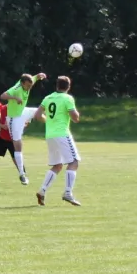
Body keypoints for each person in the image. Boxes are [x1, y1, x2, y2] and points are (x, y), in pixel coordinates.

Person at [33, 76, 81, 206]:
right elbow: (75, 117)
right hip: (62, 134)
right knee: (74, 162)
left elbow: (37, 115)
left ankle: (42, 191)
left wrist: (48, 121)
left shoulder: (48, 98)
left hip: (50, 135)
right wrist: (76, 116)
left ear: (57, 86)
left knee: (57, 165)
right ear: (68, 86)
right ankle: (68, 193)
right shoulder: (67, 98)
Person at [0, 72, 46, 185]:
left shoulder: (28, 81)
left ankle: (51, 126)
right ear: (22, 83)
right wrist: (15, 98)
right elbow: (3, 96)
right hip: (13, 119)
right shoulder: (16, 88)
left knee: (39, 111)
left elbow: (33, 78)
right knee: (18, 146)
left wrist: (39, 76)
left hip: (22, 112)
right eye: (28, 86)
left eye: (31, 86)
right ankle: (22, 174)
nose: (29, 88)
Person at [0, 103, 28, 184]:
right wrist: (2, 125)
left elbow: (25, 123)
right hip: (2, 137)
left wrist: (17, 126)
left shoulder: (21, 109)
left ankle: (23, 176)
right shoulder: (2, 108)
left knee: (16, 158)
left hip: (14, 139)